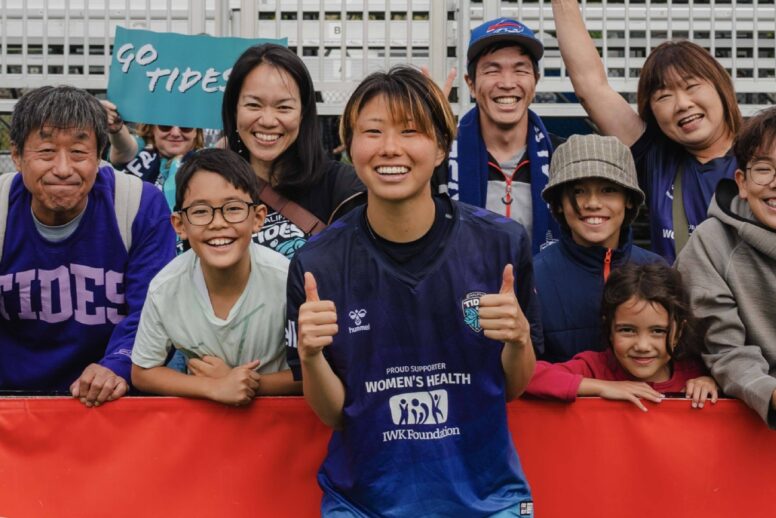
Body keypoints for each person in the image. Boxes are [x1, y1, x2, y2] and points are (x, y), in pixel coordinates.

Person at [286, 66, 538, 516]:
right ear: (349, 144)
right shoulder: (316, 265)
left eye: (410, 131)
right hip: (362, 502)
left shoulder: (501, 244)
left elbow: (512, 388)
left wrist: (518, 338)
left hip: (486, 499)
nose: (390, 148)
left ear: (441, 147)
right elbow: (333, 414)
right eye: (372, 131)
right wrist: (310, 356)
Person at [0, 86, 176, 406]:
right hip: (11, 405)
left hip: (108, 405)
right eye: (46, 152)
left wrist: (116, 365)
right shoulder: (2, 209)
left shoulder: (139, 205)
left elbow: (153, 310)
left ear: (99, 157)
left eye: (79, 153)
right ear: (17, 155)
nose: (64, 168)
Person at [551, 0, 742, 263]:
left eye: (692, 86)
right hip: (678, 302)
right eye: (664, 96)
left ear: (721, 87)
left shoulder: (760, 152)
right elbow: (590, 86)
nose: (682, 104)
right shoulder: (657, 157)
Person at [131, 149, 298, 405]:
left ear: (258, 218)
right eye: (200, 211)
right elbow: (143, 372)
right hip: (204, 429)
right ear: (179, 225)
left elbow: (314, 373)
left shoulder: (284, 280)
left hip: (277, 426)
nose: (218, 223)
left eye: (233, 208)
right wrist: (212, 386)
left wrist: (247, 383)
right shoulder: (165, 288)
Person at [675, 107, 776, 428]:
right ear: (742, 182)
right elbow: (724, 351)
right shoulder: (712, 242)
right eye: (764, 169)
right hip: (747, 420)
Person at [222, 43, 363, 259]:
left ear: (303, 114)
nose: (268, 121)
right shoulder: (213, 186)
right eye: (253, 105)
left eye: (284, 107)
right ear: (234, 110)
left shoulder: (343, 189)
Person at [535, 134, 664, 363]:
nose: (592, 203)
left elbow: (681, 359)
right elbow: (523, 373)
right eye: (578, 191)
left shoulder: (659, 270)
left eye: (608, 190)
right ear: (558, 203)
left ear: (629, 200)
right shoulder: (534, 276)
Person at [526, 263, 718, 412]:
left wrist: (711, 383)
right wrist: (602, 387)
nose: (642, 345)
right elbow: (526, 378)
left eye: (658, 331)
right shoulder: (593, 367)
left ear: (680, 332)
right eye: (627, 330)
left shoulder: (693, 372)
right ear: (609, 328)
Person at [445, 17, 562, 255]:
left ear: (535, 82)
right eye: (492, 70)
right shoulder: (441, 157)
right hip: (462, 291)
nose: (508, 83)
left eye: (520, 70)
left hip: (544, 290)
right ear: (471, 84)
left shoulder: (561, 156)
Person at [101, 100, 204, 212]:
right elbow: (124, 148)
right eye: (166, 126)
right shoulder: (139, 148)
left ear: (196, 132)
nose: (175, 133)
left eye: (185, 127)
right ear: (152, 128)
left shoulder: (205, 161)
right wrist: (117, 128)